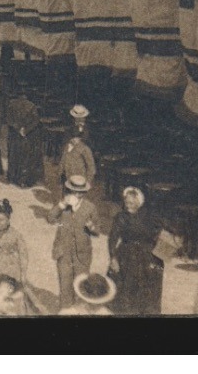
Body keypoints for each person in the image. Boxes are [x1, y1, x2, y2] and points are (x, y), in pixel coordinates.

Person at [108, 185, 166, 315]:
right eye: (126, 202)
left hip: (146, 255)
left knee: (148, 290)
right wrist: (113, 258)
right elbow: (112, 239)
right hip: (126, 255)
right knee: (126, 291)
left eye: (131, 203)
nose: (128, 205)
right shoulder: (120, 217)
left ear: (139, 203)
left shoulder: (148, 216)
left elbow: (161, 230)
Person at [51, 174, 100, 312]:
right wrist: (62, 204)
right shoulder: (63, 205)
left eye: (80, 192)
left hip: (82, 255)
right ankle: (65, 311)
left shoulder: (90, 208)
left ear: (84, 192)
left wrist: (91, 226)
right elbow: (50, 217)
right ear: (69, 191)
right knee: (65, 285)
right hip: (63, 252)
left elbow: (97, 231)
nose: (76, 194)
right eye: (73, 191)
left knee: (80, 287)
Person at [4, 92, 45, 188]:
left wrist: (17, 128)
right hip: (27, 136)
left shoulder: (11, 104)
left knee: (13, 155)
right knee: (25, 157)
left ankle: (11, 177)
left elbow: (8, 119)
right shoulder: (31, 106)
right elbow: (36, 120)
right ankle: (22, 180)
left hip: (14, 135)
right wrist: (25, 130)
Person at [59, 108, 97, 195]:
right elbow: (63, 159)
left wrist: (88, 181)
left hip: (80, 175)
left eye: (81, 117)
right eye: (76, 118)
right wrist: (60, 172)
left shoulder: (87, 133)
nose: (79, 119)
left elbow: (91, 168)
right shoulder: (69, 133)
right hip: (68, 173)